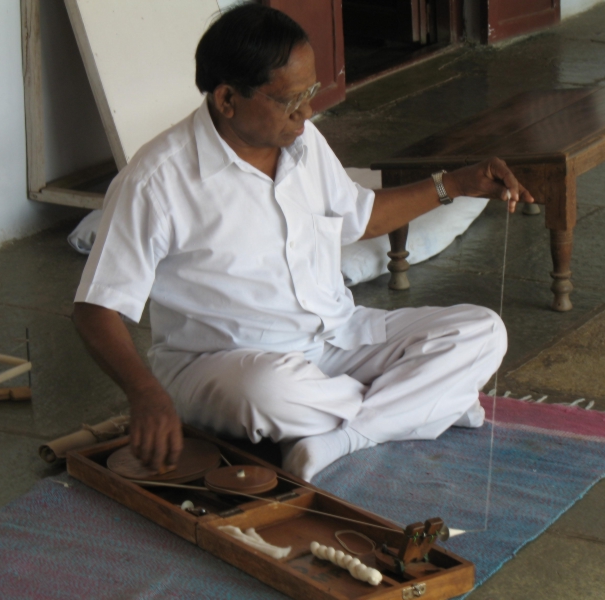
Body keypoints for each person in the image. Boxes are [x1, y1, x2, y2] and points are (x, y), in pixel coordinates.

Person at [73, 4, 534, 482]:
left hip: (339, 337)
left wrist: (455, 184)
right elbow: (94, 308)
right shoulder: (156, 181)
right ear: (228, 98)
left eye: (311, 91)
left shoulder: (302, 141)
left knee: (483, 331)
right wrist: (145, 394)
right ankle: (424, 403)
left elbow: (361, 217)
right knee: (267, 393)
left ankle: (346, 435)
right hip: (225, 367)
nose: (308, 111)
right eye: (291, 99)